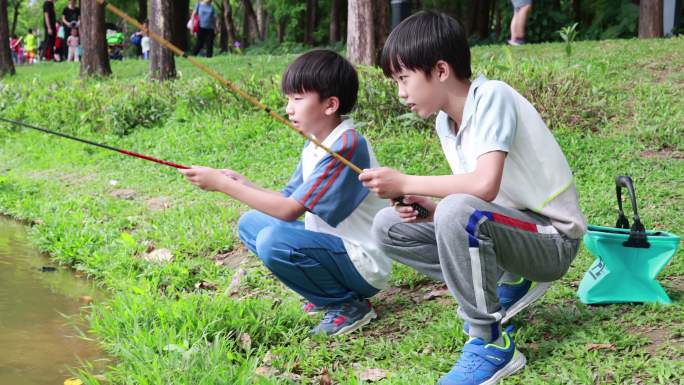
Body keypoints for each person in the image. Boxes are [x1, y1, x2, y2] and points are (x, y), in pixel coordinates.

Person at [360, 11, 586, 385]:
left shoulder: (491, 97)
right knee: (388, 227)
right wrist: (429, 207)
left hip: (552, 240)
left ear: (441, 70)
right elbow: (475, 198)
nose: (400, 93)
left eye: (404, 79)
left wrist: (405, 180)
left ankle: (491, 344)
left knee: (457, 211)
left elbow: (483, 186)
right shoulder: (445, 123)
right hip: (508, 228)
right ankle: (505, 283)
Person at [180, 49, 391, 336]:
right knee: (251, 224)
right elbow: (288, 197)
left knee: (273, 241)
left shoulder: (346, 145)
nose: (289, 108)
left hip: (363, 262)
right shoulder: (316, 143)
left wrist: (222, 184)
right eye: (288, 98)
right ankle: (323, 292)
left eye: (298, 98)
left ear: (330, 105)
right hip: (333, 249)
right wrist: (244, 184)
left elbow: (289, 210)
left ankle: (347, 305)